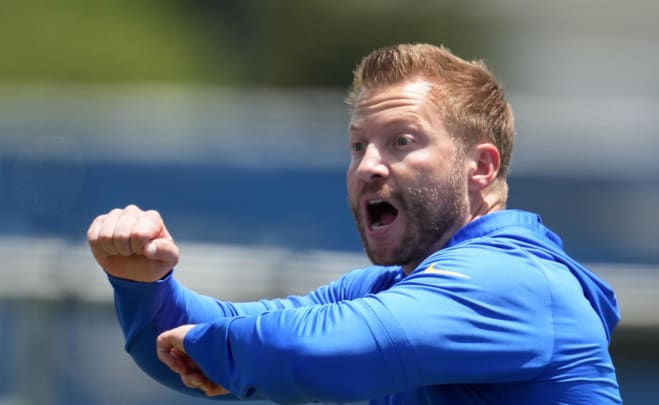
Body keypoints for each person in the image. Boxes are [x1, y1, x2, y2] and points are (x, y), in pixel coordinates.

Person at [87, 43, 622, 404]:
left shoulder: (517, 282)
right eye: (358, 145)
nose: (368, 165)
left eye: (402, 141)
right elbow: (198, 338)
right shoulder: (392, 288)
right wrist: (143, 285)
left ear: (480, 167)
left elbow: (313, 351)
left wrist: (217, 349)